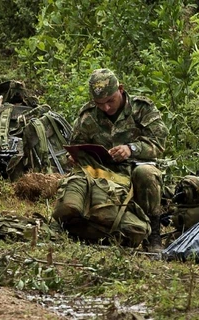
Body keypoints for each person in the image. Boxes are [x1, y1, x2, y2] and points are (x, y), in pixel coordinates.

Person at [65, 68, 169, 252]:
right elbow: (77, 144)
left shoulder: (142, 108)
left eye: (110, 101)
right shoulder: (88, 115)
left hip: (136, 169)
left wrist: (131, 149)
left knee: (147, 173)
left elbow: (158, 143)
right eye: (100, 103)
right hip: (103, 174)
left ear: (120, 89)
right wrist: (75, 157)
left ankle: (153, 237)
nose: (106, 107)